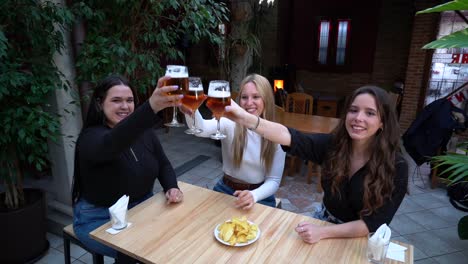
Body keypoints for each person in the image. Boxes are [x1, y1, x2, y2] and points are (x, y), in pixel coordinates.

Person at [224, 85, 408, 243]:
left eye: (370, 113)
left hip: (363, 238)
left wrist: (323, 232)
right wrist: (244, 118)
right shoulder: (333, 146)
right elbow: (289, 136)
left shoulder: (396, 166)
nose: (358, 118)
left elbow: (372, 223)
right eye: (353, 110)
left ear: (382, 122)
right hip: (325, 220)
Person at [71, 75, 184, 261]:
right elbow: (112, 143)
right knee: (141, 251)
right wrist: (151, 106)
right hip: (99, 218)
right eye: (116, 100)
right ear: (100, 104)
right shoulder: (90, 138)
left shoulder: (144, 132)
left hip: (142, 208)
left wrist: (171, 186)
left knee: (175, 237)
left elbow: (163, 163)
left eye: (129, 100)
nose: (125, 106)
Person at [184, 74, 286, 209]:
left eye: (256, 97)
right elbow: (200, 129)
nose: (249, 103)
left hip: (259, 195)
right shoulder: (230, 122)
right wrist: (190, 110)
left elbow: (273, 180)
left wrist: (254, 195)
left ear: (266, 99)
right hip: (225, 188)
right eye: (244, 97)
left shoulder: (276, 134)